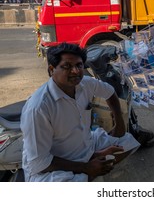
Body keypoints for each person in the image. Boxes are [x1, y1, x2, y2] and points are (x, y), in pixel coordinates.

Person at [20, 43, 140, 182]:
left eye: (79, 65)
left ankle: (92, 165)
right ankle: (89, 172)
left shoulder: (85, 84)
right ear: (52, 70)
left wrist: (119, 123)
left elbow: (110, 92)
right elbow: (39, 163)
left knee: (128, 141)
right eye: (67, 66)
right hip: (52, 165)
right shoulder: (39, 108)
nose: (76, 71)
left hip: (85, 146)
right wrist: (86, 167)